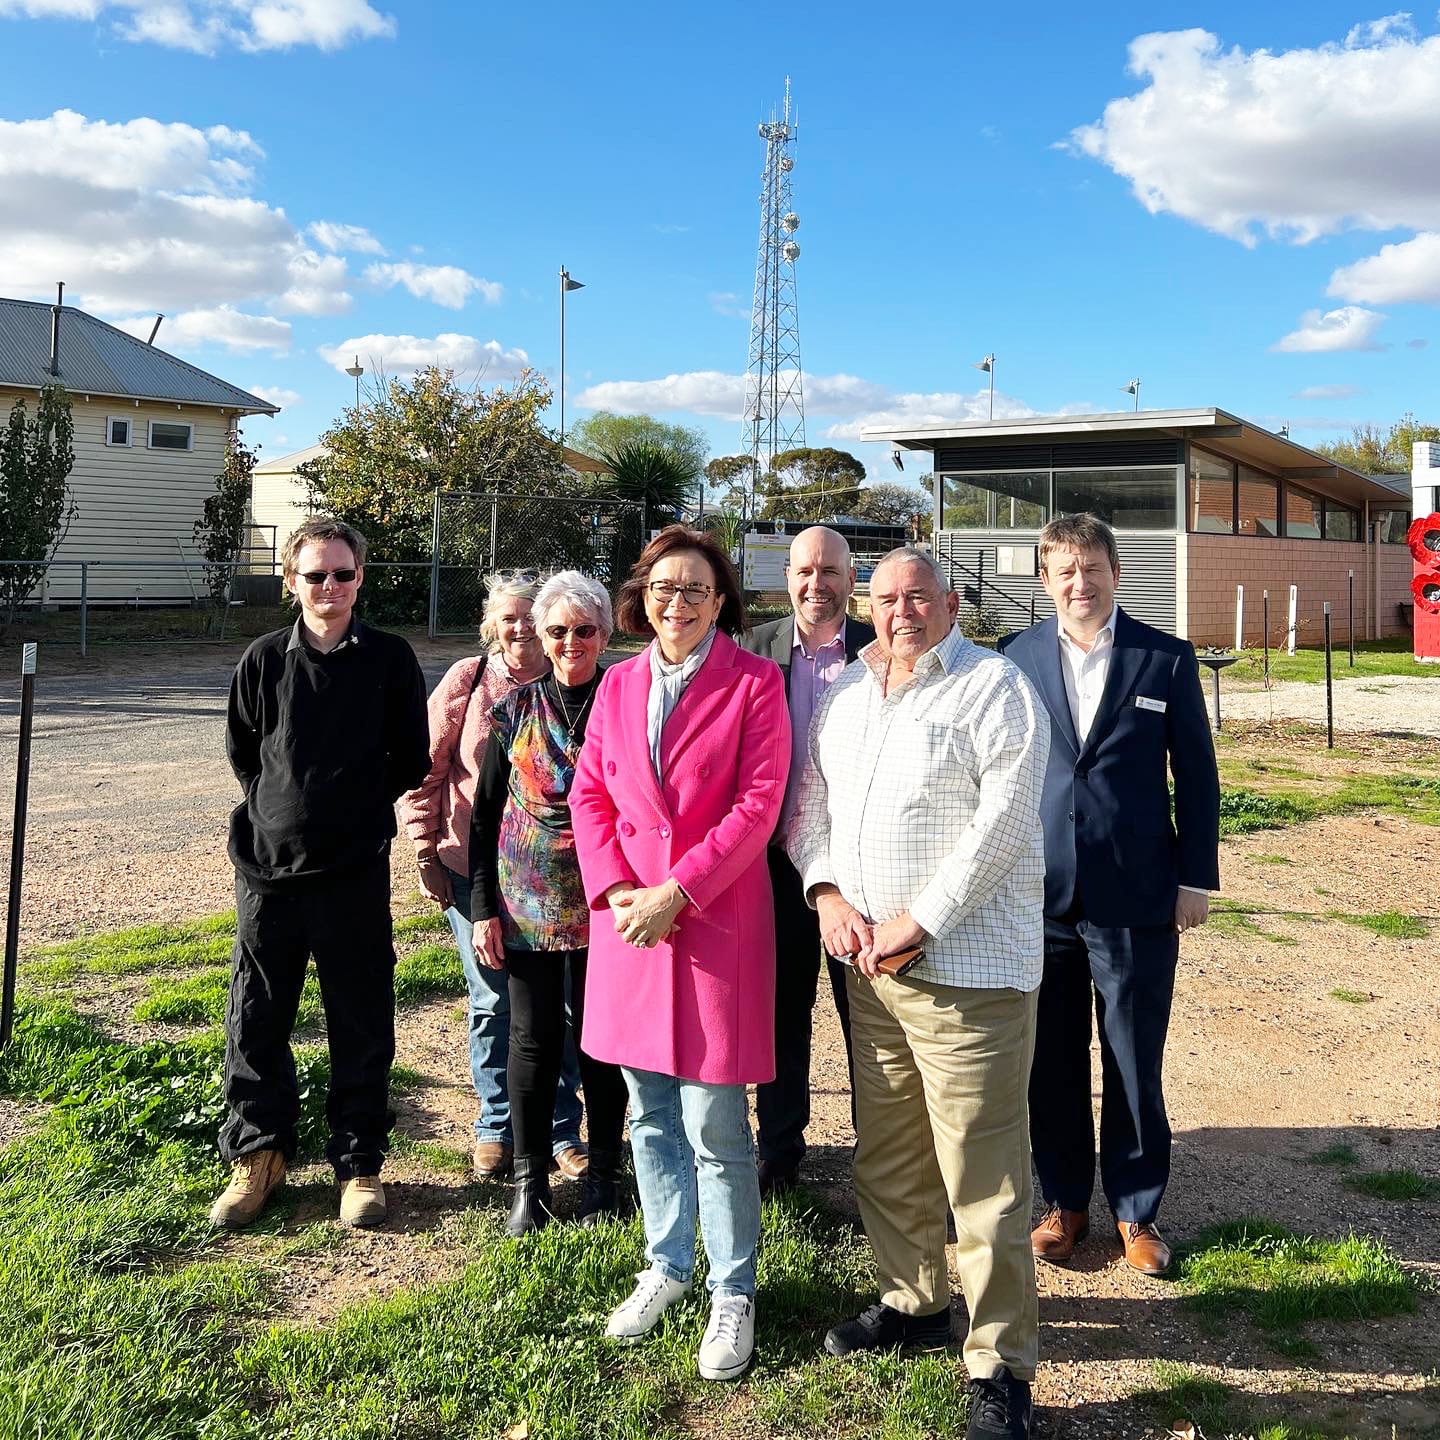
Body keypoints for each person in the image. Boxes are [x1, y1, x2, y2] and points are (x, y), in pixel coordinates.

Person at [788, 546, 1048, 1440]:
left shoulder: (994, 688)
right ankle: (914, 1301)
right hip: (870, 971)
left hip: (965, 974)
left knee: (983, 1179)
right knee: (889, 1156)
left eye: (919, 596)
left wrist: (921, 921)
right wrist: (826, 893)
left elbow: (1005, 822)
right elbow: (810, 809)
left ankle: (1000, 1365)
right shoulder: (849, 693)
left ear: (953, 601)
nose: (901, 611)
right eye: (887, 598)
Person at [570, 525, 788, 1384]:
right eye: (664, 587)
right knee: (649, 1114)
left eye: (696, 588)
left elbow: (759, 803)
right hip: (632, 929)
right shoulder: (619, 683)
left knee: (715, 1124)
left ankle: (733, 1289)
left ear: (721, 599)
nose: (678, 602)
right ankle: (667, 1265)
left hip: (709, 924)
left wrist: (676, 892)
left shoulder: (755, 683)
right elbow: (590, 791)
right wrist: (619, 889)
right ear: (642, 595)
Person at [999, 513, 1219, 1277]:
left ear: (1116, 573)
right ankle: (1063, 1204)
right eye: (1063, 570)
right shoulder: (1016, 657)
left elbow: (1196, 776)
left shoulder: (1164, 659)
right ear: (1045, 579)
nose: (1078, 583)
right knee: (1050, 1062)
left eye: (1091, 568)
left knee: (1132, 1058)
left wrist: (1195, 878)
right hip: (1041, 895)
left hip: (1137, 895)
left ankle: (1136, 1212)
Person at [212, 517, 429, 1231]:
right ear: (292, 582)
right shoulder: (264, 658)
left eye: (342, 574)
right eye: (315, 575)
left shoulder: (390, 660)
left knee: (360, 1019)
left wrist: (354, 807)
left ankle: (359, 1164)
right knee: (256, 1018)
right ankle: (260, 1156)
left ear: (360, 578)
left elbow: (409, 757)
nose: (329, 587)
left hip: (353, 872)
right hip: (268, 874)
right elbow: (246, 750)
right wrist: (283, 808)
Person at [398, 572, 586, 1183]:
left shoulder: (578, 686)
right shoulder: (469, 682)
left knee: (563, 1009)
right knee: (492, 1002)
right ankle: (495, 1126)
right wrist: (424, 848)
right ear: (492, 624)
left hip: (560, 884)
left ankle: (561, 1130)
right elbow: (425, 770)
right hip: (473, 869)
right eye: (510, 616)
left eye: (534, 615)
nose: (522, 626)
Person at [468, 570, 630, 1236]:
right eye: (558, 630)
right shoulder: (513, 709)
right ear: (541, 633)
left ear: (604, 634)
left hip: (607, 900)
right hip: (526, 902)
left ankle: (603, 1179)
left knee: (601, 1044)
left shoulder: (627, 698)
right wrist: (481, 908)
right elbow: (482, 818)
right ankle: (529, 1185)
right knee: (531, 1043)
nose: (571, 643)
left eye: (584, 630)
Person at [740, 525, 873, 1195]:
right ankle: (780, 1151)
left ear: (853, 580)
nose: (816, 584)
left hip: (863, 868)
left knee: (868, 1017)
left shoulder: (881, 651)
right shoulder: (752, 648)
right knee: (781, 1012)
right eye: (804, 571)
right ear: (785, 577)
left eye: (830, 571)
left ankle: (878, 1154)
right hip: (771, 865)